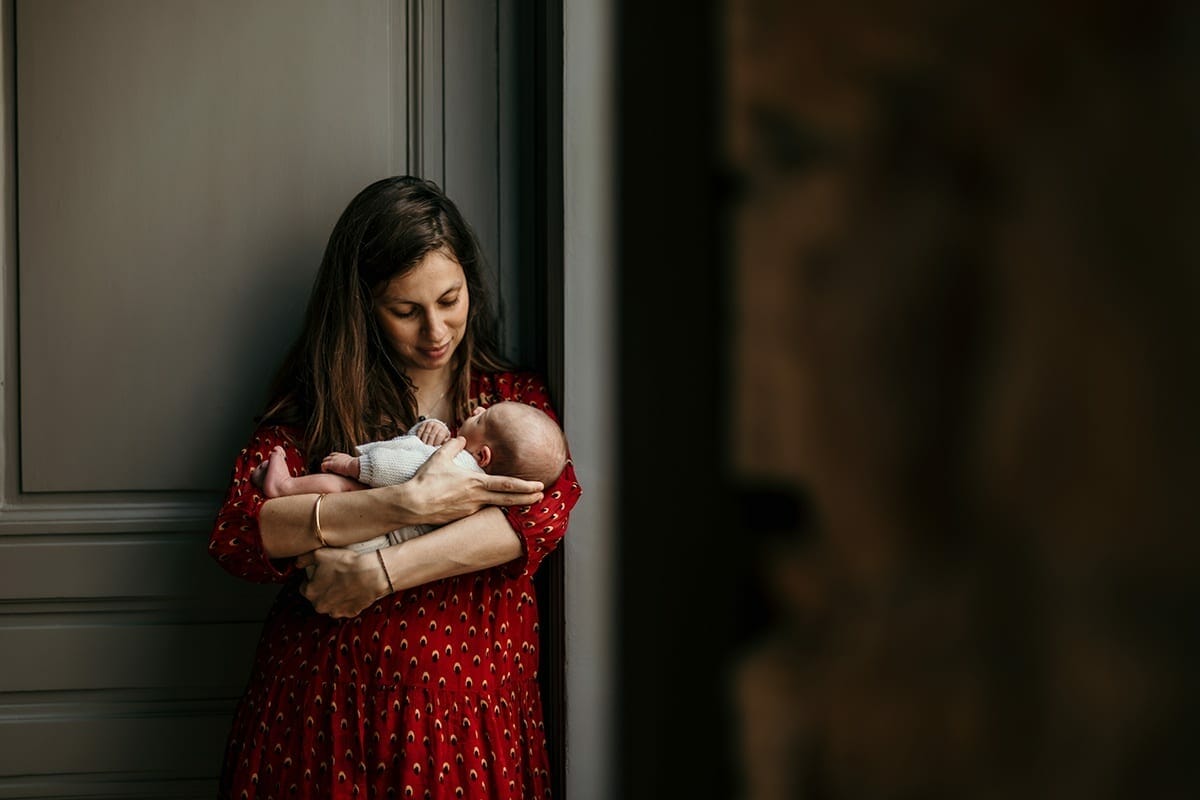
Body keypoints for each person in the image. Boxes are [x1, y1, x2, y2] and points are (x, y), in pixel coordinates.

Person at [208, 175, 581, 800]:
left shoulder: (512, 403)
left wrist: (379, 573)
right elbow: (243, 533)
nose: (435, 330)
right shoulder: (317, 407)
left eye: (450, 299)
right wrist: (407, 503)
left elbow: (539, 519)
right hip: (328, 714)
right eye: (405, 310)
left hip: (469, 715)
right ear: (362, 308)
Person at [253, 402, 569, 551]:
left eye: (482, 417)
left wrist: (353, 465)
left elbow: (398, 465)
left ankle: (283, 486)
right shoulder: (485, 487)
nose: (476, 410)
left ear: (483, 456)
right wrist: (427, 431)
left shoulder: (457, 464)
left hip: (373, 539)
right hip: (382, 540)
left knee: (338, 487)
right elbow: (415, 450)